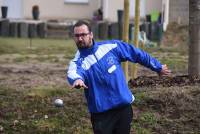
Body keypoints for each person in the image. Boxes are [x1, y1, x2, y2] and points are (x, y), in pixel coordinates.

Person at [67, 20, 171, 134]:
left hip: (123, 109)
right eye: (77, 36)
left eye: (83, 35)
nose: (80, 39)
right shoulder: (77, 62)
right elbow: (73, 73)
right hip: (102, 116)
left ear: (91, 34)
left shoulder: (111, 47)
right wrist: (77, 80)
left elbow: (136, 54)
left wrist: (157, 66)